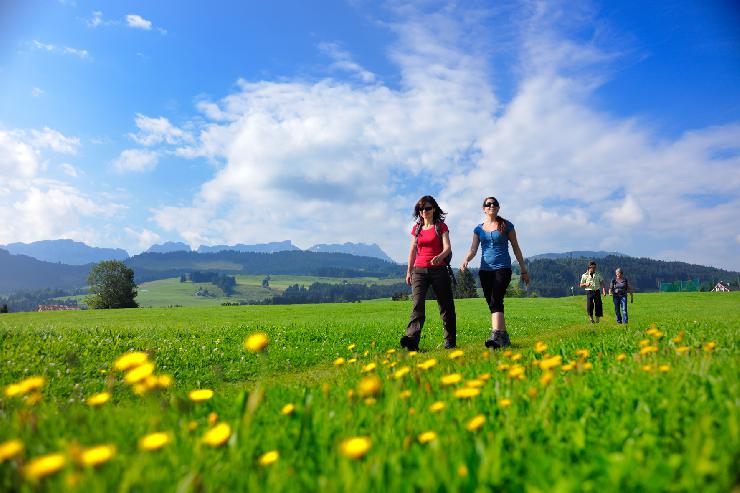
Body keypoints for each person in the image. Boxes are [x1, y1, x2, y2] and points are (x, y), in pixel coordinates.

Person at [460, 196, 529, 349]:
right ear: (484, 209)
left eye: (494, 204)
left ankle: (496, 336)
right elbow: (473, 249)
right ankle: (504, 337)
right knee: (492, 303)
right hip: (485, 271)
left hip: (502, 268)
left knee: (496, 299)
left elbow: (516, 248)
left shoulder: (506, 226)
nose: (491, 206)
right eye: (488, 204)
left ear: (498, 208)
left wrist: (523, 270)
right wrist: (466, 259)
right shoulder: (478, 229)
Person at [400, 196, 457, 351]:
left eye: (427, 208)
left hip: (439, 270)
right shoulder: (416, 229)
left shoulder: (441, 227)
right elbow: (412, 250)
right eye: (421, 209)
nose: (424, 211)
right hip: (419, 270)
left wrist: (440, 257)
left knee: (446, 306)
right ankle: (412, 341)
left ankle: (450, 341)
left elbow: (448, 247)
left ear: (434, 209)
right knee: (417, 305)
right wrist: (409, 271)